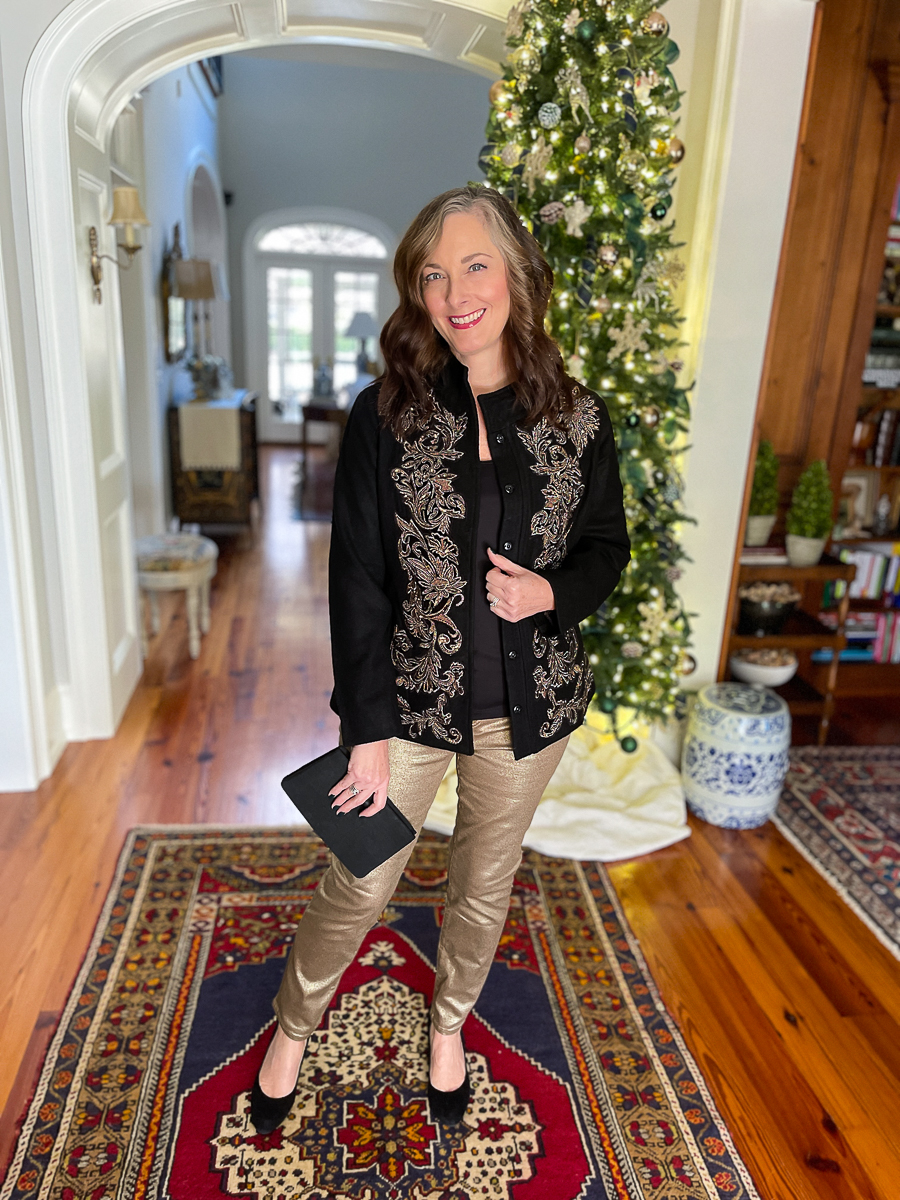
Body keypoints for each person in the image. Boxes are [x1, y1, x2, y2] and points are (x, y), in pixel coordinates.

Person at [250, 185, 631, 1133]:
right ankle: (294, 1025)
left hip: (530, 707)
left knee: (483, 881)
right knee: (363, 876)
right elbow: (359, 578)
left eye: (474, 265)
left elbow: (606, 546)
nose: (455, 291)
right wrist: (365, 730)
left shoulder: (577, 417)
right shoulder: (385, 414)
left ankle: (448, 1026)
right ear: (416, 293)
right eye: (433, 273)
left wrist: (550, 593)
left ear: (515, 276)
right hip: (408, 709)